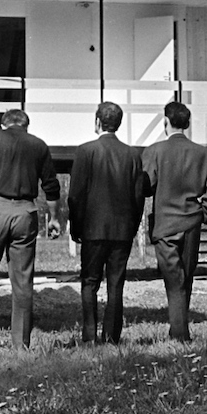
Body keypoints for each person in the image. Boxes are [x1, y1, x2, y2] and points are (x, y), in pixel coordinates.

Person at [0, 107, 61, 348]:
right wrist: (54, 218)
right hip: (25, 213)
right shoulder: (38, 145)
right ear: (26, 126)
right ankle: (20, 344)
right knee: (22, 280)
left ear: (3, 123)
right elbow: (51, 186)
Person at [141, 99, 207, 343]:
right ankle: (179, 329)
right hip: (191, 223)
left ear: (166, 122)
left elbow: (146, 187)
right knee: (186, 278)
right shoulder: (203, 153)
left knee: (174, 281)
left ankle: (180, 335)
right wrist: (202, 215)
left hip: (165, 225)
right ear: (187, 124)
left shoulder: (154, 151)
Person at [68, 100, 145, 344]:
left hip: (92, 229)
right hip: (122, 231)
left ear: (98, 121)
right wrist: (131, 228)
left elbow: (75, 195)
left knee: (90, 282)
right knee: (116, 284)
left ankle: (89, 336)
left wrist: (76, 227)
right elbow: (138, 197)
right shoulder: (133, 155)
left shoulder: (85, 151)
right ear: (118, 124)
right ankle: (112, 337)